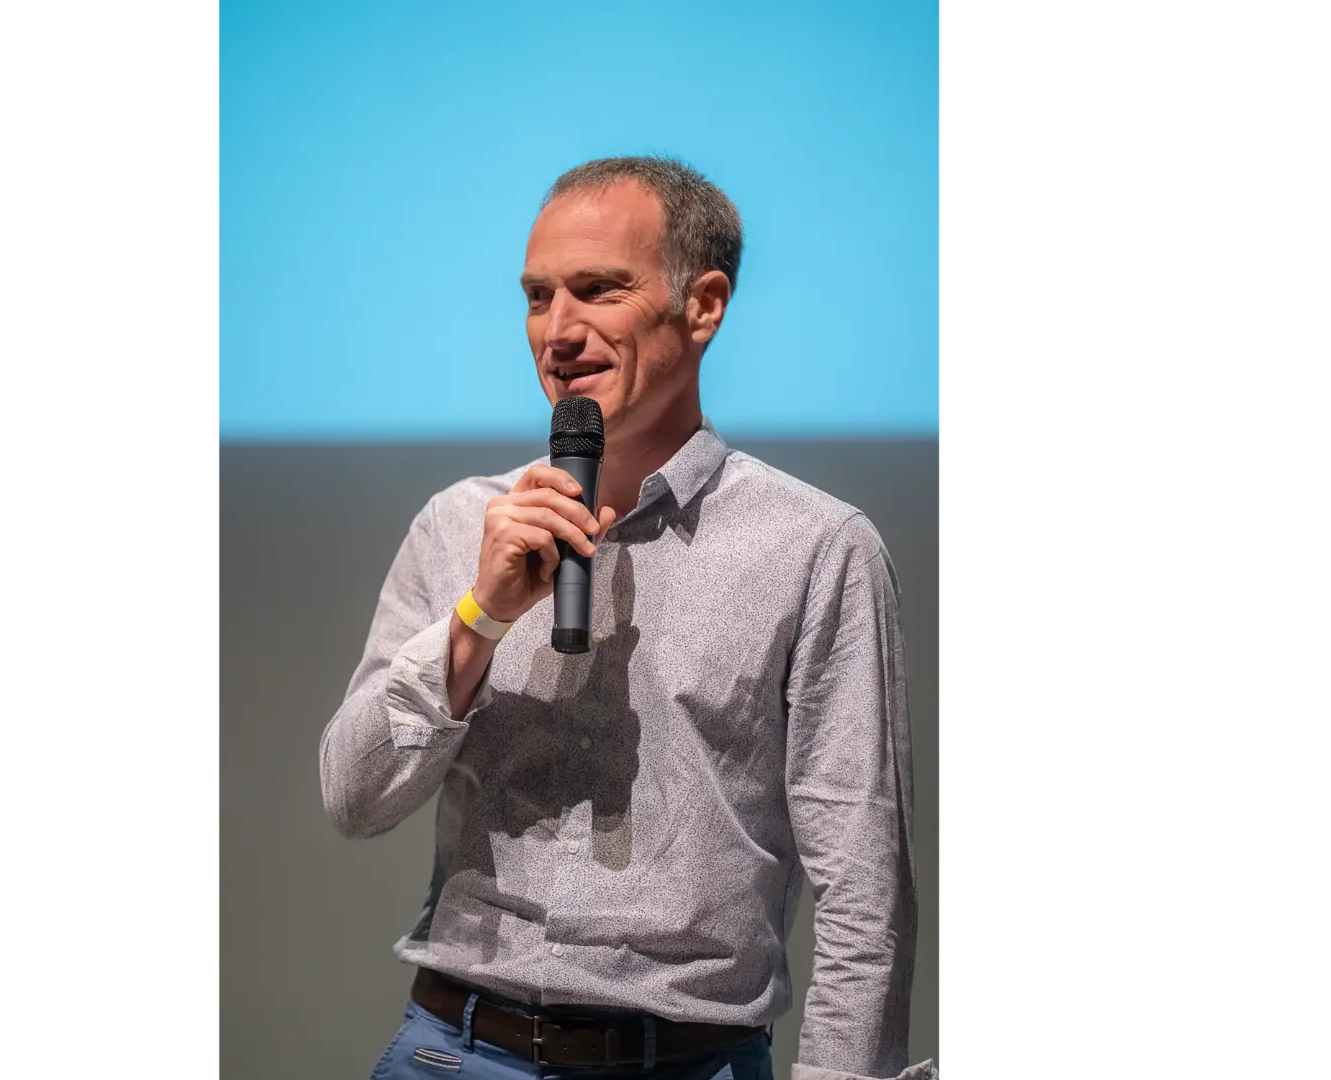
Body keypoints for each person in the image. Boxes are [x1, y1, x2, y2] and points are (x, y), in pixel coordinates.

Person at [318, 157, 936, 1080]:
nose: (558, 332)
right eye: (538, 297)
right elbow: (354, 798)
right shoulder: (459, 525)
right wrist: (479, 618)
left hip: (687, 1059)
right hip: (454, 1049)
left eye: (599, 289)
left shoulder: (815, 548)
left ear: (704, 305)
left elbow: (864, 892)